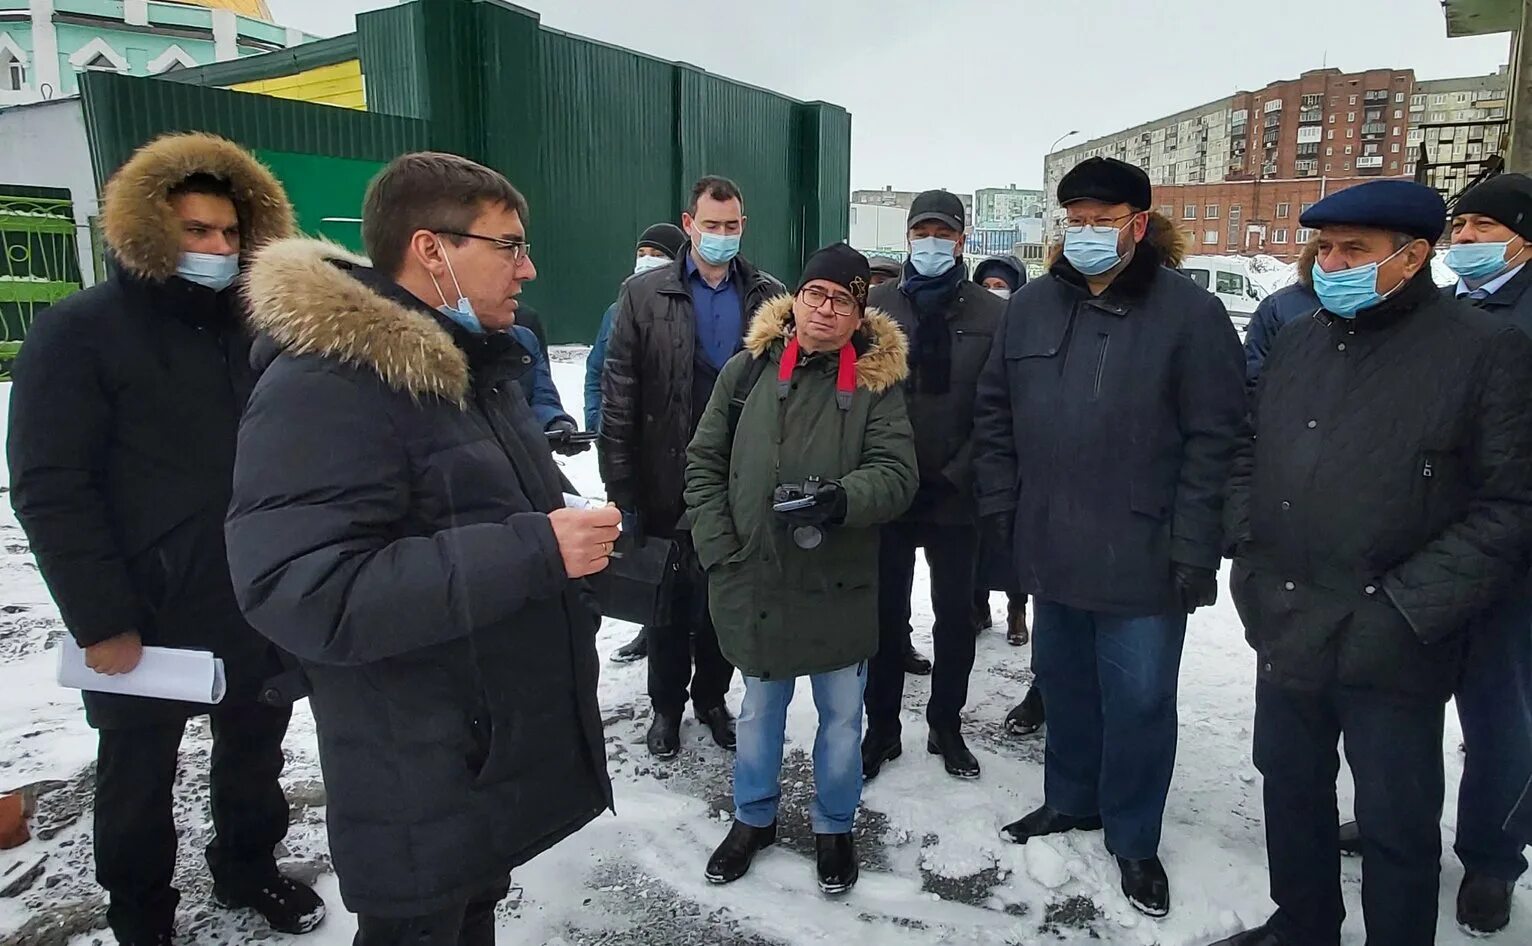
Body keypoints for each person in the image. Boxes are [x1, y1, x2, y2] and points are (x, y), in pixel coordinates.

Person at [226, 152, 618, 945]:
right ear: (431, 249)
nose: (528, 268)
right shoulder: (325, 383)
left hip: (477, 760)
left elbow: (496, 513)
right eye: (509, 246)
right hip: (411, 777)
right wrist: (536, 550)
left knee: (471, 915)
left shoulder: (471, 368)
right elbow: (304, 589)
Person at [5, 133, 322, 946]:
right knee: (138, 776)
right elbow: (51, 486)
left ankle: (247, 867)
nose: (216, 248)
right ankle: (140, 915)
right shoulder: (79, 332)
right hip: (144, 606)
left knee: (254, 751)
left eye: (229, 232)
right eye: (195, 231)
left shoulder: (259, 326)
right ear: (148, 229)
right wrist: (101, 617)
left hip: (251, 591)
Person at [1216, 179, 1532, 946]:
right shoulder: (1298, 338)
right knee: (1292, 791)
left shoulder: (1484, 349)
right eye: (1325, 248)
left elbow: (1510, 504)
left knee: (1395, 821)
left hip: (1392, 635)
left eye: (1353, 250)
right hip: (1289, 614)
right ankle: (1303, 925)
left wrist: (1405, 608)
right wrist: (1250, 550)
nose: (1331, 264)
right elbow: (1249, 449)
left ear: (1413, 257)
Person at [973, 157, 1244, 918]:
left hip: (1143, 551)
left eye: (1103, 219)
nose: (1086, 231)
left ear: (1137, 225)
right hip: (1051, 542)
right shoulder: (1031, 307)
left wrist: (1195, 546)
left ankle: (1132, 835)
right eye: (1076, 219)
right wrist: (1003, 508)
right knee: (1065, 686)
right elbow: (994, 414)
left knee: (1140, 702)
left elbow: (1217, 440)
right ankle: (1070, 800)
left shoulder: (1190, 315)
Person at [1320, 173, 1532, 939]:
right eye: (1461, 225)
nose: (1464, 238)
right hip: (1415, 553)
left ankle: (1491, 858)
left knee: (1501, 719)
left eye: (1483, 226)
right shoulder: (1448, 313)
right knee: (1397, 713)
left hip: (1508, 569)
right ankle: (1390, 819)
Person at [686, 243, 916, 895]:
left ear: (859, 314)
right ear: (796, 300)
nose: (825, 309)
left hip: (837, 580)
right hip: (756, 574)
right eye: (816, 294)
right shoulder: (747, 372)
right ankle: (753, 819)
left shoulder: (875, 385)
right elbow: (703, 461)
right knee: (760, 712)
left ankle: (834, 826)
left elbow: (898, 473)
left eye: (842, 300)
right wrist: (718, 546)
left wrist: (843, 499)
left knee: (842, 719)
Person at [600, 176, 786, 759]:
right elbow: (619, 393)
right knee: (667, 604)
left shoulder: (767, 297)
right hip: (664, 473)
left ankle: (711, 697)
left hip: (735, 477)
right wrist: (622, 484)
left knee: (720, 600)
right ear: (689, 224)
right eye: (711, 225)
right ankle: (665, 706)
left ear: (743, 227)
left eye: (731, 226)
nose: (721, 235)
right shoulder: (644, 295)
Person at [860, 190, 1003, 783]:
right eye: (923, 233)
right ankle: (882, 729)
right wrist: (883, 472)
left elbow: (997, 404)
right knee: (884, 617)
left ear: (962, 241)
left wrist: (960, 471)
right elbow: (860, 398)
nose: (932, 244)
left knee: (955, 617)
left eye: (943, 234)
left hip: (956, 491)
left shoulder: (992, 314)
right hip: (890, 490)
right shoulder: (876, 307)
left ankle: (946, 723)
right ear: (908, 237)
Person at [587, 222, 688, 664]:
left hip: (671, 448)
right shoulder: (619, 308)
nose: (646, 260)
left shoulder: (682, 309)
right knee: (644, 547)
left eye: (656, 254)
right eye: (642, 251)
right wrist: (600, 423)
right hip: (631, 449)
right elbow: (598, 371)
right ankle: (650, 625)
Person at [972, 255, 1031, 646]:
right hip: (975, 443)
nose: (995, 293)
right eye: (987, 286)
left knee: (1013, 540)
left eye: (1001, 286)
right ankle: (978, 606)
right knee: (975, 540)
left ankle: (1016, 609)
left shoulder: (1027, 325)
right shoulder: (972, 322)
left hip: (1016, 445)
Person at [1242, 238, 1320, 387]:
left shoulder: (1369, 308)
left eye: (1353, 249)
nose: (1334, 259)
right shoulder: (1278, 307)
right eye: (1325, 248)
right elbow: (1254, 375)